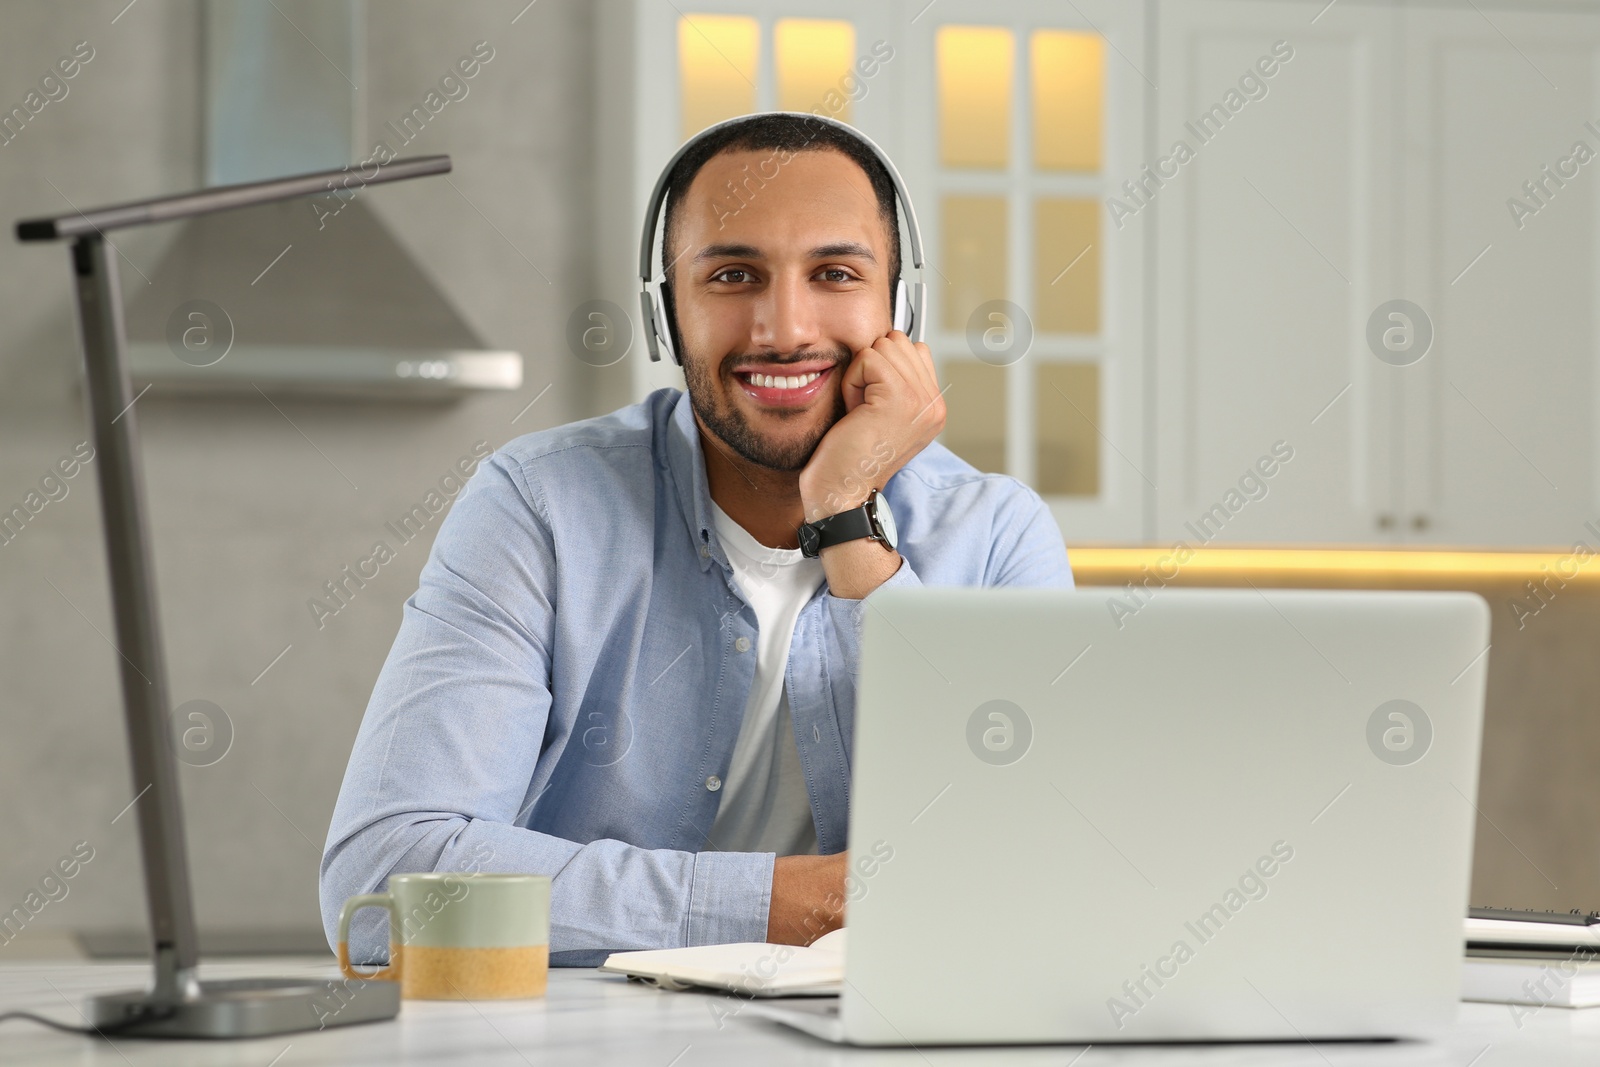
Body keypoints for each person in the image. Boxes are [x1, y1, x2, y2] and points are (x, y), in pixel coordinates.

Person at [320, 112, 1073, 968]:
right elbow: (379, 892)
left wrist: (844, 517)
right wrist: (778, 904)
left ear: (901, 309)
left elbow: (1042, 872)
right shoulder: (538, 508)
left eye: (834, 272)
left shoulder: (999, 534)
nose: (783, 328)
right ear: (665, 315)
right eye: (732, 274)